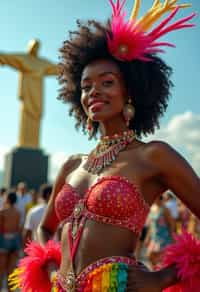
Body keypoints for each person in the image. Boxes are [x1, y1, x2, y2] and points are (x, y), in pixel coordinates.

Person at [9, 1, 200, 291]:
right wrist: (49, 267)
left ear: (130, 91)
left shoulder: (153, 156)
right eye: (85, 86)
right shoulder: (73, 165)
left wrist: (163, 278)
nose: (93, 91)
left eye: (107, 82)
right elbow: (45, 227)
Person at [145, 196, 175, 269]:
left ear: (159, 198)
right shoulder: (152, 208)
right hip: (154, 238)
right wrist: (147, 237)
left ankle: (157, 272)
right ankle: (154, 270)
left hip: (164, 238)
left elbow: (171, 224)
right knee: (149, 255)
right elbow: (151, 225)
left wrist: (173, 237)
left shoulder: (164, 209)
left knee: (161, 258)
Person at [0, 191, 21, 291]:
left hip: (4, 239)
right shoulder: (17, 212)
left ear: (7, 199)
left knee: (1, 270)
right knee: (11, 270)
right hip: (15, 239)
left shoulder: (3, 211)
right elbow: (18, 228)